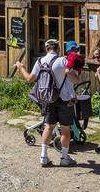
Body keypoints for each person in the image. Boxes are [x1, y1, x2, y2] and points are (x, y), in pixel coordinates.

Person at [19, 38, 78, 167]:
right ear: (58, 49)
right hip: (65, 99)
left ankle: (43, 156)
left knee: (49, 126)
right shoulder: (63, 61)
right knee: (65, 129)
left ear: (46, 49)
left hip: (48, 99)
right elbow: (76, 80)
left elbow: (29, 79)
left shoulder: (40, 61)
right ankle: (64, 158)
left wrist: (21, 68)